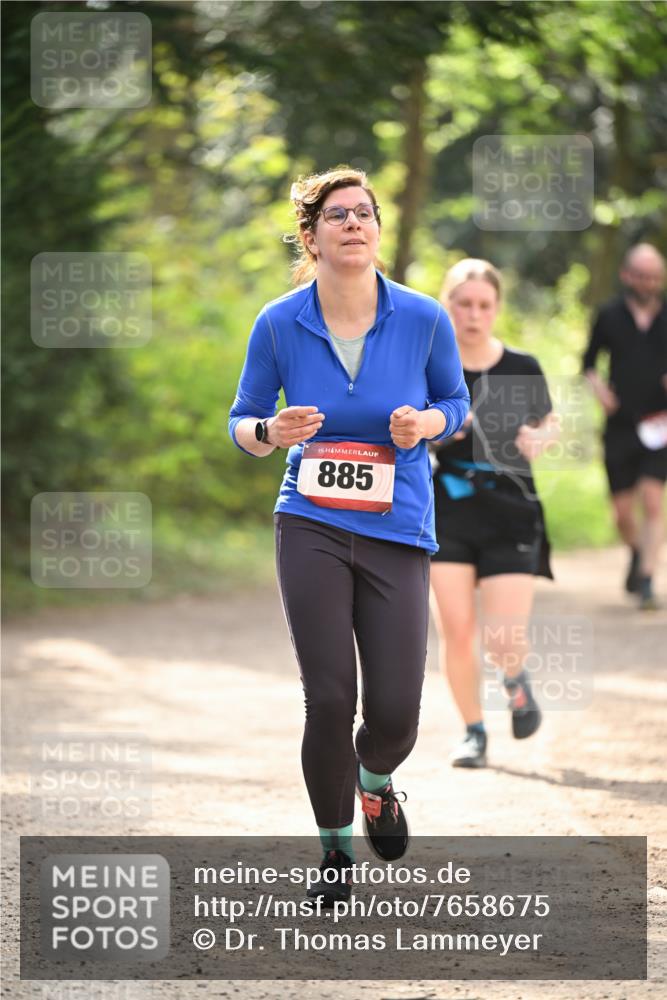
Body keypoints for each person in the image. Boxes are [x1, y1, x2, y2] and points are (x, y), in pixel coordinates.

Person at [228, 166, 469, 904]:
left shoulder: (424, 317)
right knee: (329, 698)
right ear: (311, 236)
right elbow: (241, 421)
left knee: (393, 714)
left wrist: (424, 423)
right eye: (337, 216)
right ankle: (333, 855)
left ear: (377, 229)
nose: (354, 224)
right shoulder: (278, 322)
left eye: (364, 213)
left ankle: (376, 780)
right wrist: (271, 430)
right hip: (311, 521)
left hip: (397, 527)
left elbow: (455, 402)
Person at [429, 259, 556, 769]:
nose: (473, 314)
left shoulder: (522, 365)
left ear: (496, 308)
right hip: (447, 508)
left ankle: (513, 676)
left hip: (509, 509)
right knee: (457, 630)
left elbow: (550, 421)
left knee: (504, 637)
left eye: (484, 305)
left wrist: (541, 436)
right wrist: (436, 429)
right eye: (464, 304)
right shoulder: (429, 366)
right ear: (448, 305)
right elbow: (405, 428)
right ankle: (473, 731)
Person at [582, 243, 667, 610]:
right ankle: (635, 552)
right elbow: (587, 362)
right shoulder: (610, 315)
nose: (649, 283)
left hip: (660, 423)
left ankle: (648, 579)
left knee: (652, 499)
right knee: (621, 510)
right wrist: (601, 391)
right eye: (643, 276)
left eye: (655, 277)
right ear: (627, 276)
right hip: (619, 425)